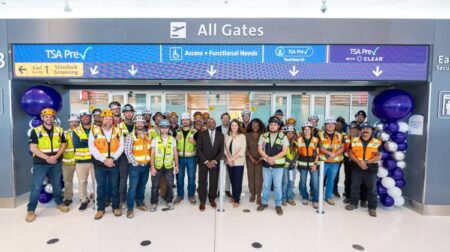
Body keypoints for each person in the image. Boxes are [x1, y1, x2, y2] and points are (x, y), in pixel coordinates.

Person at [26, 108, 69, 222]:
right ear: (42, 118)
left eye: (51, 116)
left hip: (56, 162)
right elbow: (33, 148)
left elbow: (63, 145)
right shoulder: (35, 131)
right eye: (46, 116)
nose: (49, 118)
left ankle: (59, 203)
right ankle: (31, 210)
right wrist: (47, 158)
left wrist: (55, 157)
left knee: (57, 184)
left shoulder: (59, 130)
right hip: (40, 163)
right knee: (36, 187)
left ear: (54, 118)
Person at [89, 109, 124, 220]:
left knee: (114, 186)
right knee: (101, 187)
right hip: (100, 164)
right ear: (102, 119)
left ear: (112, 120)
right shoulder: (94, 130)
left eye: (110, 118)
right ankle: (100, 209)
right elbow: (92, 148)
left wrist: (112, 159)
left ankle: (115, 207)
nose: (108, 120)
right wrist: (104, 160)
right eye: (106, 118)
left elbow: (121, 147)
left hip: (114, 164)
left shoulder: (118, 130)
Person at [345, 122, 382, 217]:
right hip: (357, 167)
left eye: (368, 129)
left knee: (372, 188)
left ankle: (372, 207)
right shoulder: (354, 140)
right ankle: (353, 203)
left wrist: (366, 162)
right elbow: (350, 153)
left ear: (371, 130)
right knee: (355, 186)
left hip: (371, 168)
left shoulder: (377, 142)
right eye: (363, 129)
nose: (365, 130)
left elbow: (379, 155)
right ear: (361, 130)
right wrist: (358, 162)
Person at [256, 116, 288, 216]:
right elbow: (260, 149)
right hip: (266, 165)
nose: (273, 126)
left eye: (275, 125)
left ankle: (278, 205)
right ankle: (264, 203)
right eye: (271, 124)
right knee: (266, 185)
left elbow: (285, 151)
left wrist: (273, 158)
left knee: (277, 186)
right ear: (268, 125)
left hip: (278, 166)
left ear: (278, 126)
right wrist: (268, 158)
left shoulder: (283, 136)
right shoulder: (263, 136)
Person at [124, 115, 151, 218]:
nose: (140, 124)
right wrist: (135, 163)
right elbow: (127, 151)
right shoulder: (131, 136)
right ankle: (130, 209)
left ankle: (139, 203)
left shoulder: (148, 135)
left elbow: (149, 150)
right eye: (138, 123)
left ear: (144, 124)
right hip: (135, 167)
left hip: (145, 166)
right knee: (133, 187)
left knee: (142, 186)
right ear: (135, 124)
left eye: (142, 122)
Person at [150, 119, 179, 212]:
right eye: (162, 127)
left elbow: (175, 153)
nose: (164, 129)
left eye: (166, 127)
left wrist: (177, 165)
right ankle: (154, 203)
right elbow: (152, 154)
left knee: (170, 184)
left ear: (168, 128)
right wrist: (152, 167)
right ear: (160, 128)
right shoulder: (155, 139)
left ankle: (169, 201)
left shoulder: (172, 139)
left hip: (169, 166)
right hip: (157, 167)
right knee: (155, 186)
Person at [196, 118, 224, 212]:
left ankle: (212, 199)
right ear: (206, 124)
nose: (211, 124)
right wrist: (206, 161)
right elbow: (198, 149)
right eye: (209, 122)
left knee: (214, 181)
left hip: (215, 163)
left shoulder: (221, 135)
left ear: (215, 124)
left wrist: (214, 161)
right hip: (203, 162)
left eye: (213, 122)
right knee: (202, 181)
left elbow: (221, 151)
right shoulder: (201, 134)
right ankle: (202, 201)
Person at [73, 110, 96, 211]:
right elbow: (77, 144)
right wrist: (92, 142)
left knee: (97, 181)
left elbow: (100, 143)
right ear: (80, 119)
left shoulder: (97, 129)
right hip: (81, 161)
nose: (85, 118)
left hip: (95, 160)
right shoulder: (76, 130)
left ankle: (96, 197)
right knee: (82, 182)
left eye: (87, 116)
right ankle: (83, 200)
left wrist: (84, 141)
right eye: (83, 117)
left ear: (90, 117)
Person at [319, 117, 345, 206]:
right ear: (325, 125)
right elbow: (319, 147)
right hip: (323, 162)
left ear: (335, 126)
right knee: (320, 180)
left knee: (331, 180)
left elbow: (342, 147)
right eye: (328, 124)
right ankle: (318, 196)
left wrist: (335, 154)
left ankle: (328, 197)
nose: (330, 126)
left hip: (335, 162)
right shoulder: (320, 134)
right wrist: (329, 153)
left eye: (332, 124)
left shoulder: (340, 135)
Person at [174, 112, 198, 205]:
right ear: (181, 121)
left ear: (189, 121)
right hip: (179, 158)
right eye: (183, 120)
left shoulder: (194, 132)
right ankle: (180, 195)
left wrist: (194, 142)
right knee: (180, 177)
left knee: (191, 177)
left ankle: (191, 195)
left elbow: (200, 145)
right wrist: (175, 140)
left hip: (191, 158)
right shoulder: (177, 132)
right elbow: (172, 145)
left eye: (187, 120)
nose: (185, 122)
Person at [343, 121, 368, 205]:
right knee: (348, 179)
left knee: (362, 180)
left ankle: (363, 198)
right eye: (350, 129)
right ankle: (348, 196)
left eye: (354, 129)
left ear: (358, 130)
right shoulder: (345, 137)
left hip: (360, 161)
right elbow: (342, 148)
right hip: (347, 160)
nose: (352, 130)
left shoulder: (362, 138)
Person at [297, 121, 320, 209]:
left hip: (313, 165)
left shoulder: (316, 140)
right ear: (303, 131)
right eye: (305, 130)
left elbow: (318, 154)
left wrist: (315, 164)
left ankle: (315, 200)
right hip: (302, 165)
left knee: (315, 183)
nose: (307, 131)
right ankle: (305, 197)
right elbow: (297, 153)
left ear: (311, 130)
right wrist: (297, 164)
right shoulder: (299, 140)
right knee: (302, 183)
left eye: (308, 129)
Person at [224, 119, 247, 208]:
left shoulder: (242, 136)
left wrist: (233, 158)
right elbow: (224, 148)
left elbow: (242, 150)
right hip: (229, 161)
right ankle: (234, 196)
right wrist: (229, 159)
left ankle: (237, 200)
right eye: (232, 125)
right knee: (232, 180)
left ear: (238, 127)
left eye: (236, 125)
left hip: (238, 162)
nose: (234, 127)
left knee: (237, 181)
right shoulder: (227, 136)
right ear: (230, 126)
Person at [118, 104, 135, 208]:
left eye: (130, 112)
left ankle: (134, 198)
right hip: (123, 157)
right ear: (123, 114)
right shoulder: (119, 126)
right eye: (126, 112)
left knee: (134, 179)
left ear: (133, 113)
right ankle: (122, 200)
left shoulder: (138, 124)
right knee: (123, 179)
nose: (129, 113)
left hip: (135, 155)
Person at [61, 114, 80, 206]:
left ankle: (83, 197)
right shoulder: (63, 134)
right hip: (67, 161)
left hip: (81, 160)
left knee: (82, 181)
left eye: (76, 122)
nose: (74, 123)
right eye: (72, 122)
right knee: (67, 180)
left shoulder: (83, 133)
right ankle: (68, 197)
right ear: (69, 123)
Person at [245, 118, 265, 205]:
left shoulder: (263, 135)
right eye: (253, 125)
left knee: (259, 178)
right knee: (251, 177)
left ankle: (259, 195)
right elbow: (245, 148)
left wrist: (260, 158)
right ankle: (252, 194)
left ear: (259, 126)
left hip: (260, 159)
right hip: (250, 159)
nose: (255, 127)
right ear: (251, 126)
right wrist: (251, 158)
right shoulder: (247, 135)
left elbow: (265, 148)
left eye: (257, 125)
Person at [216, 112, 232, 198]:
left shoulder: (232, 128)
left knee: (229, 173)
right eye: (224, 118)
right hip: (219, 154)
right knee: (218, 173)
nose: (225, 119)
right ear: (221, 119)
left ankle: (227, 190)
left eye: (227, 118)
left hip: (229, 155)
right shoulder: (217, 129)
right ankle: (218, 190)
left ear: (229, 119)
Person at [281, 125, 298, 206]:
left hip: (292, 167)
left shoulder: (295, 143)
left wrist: (293, 162)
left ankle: (290, 198)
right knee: (285, 182)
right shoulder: (282, 143)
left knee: (291, 182)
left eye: (292, 133)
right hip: (285, 166)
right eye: (288, 133)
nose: (290, 134)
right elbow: (282, 154)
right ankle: (283, 198)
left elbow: (297, 154)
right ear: (285, 133)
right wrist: (290, 161)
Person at [332, 116, 347, 198]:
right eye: (336, 124)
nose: (338, 126)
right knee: (324, 176)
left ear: (342, 125)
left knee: (336, 175)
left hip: (338, 159)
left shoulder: (344, 135)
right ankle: (321, 190)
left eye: (340, 124)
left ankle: (335, 190)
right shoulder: (329, 132)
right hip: (327, 158)